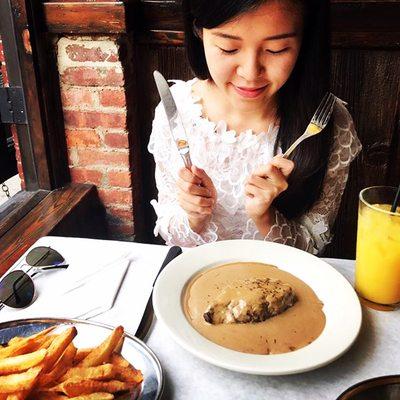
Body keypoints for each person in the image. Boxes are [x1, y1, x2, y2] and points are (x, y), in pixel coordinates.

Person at [148, 0, 362, 254]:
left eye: (276, 49)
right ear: (198, 31)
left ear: (304, 41)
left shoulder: (327, 123)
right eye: (228, 48)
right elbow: (170, 231)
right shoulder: (176, 110)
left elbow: (312, 244)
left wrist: (267, 218)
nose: (250, 73)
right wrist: (194, 215)